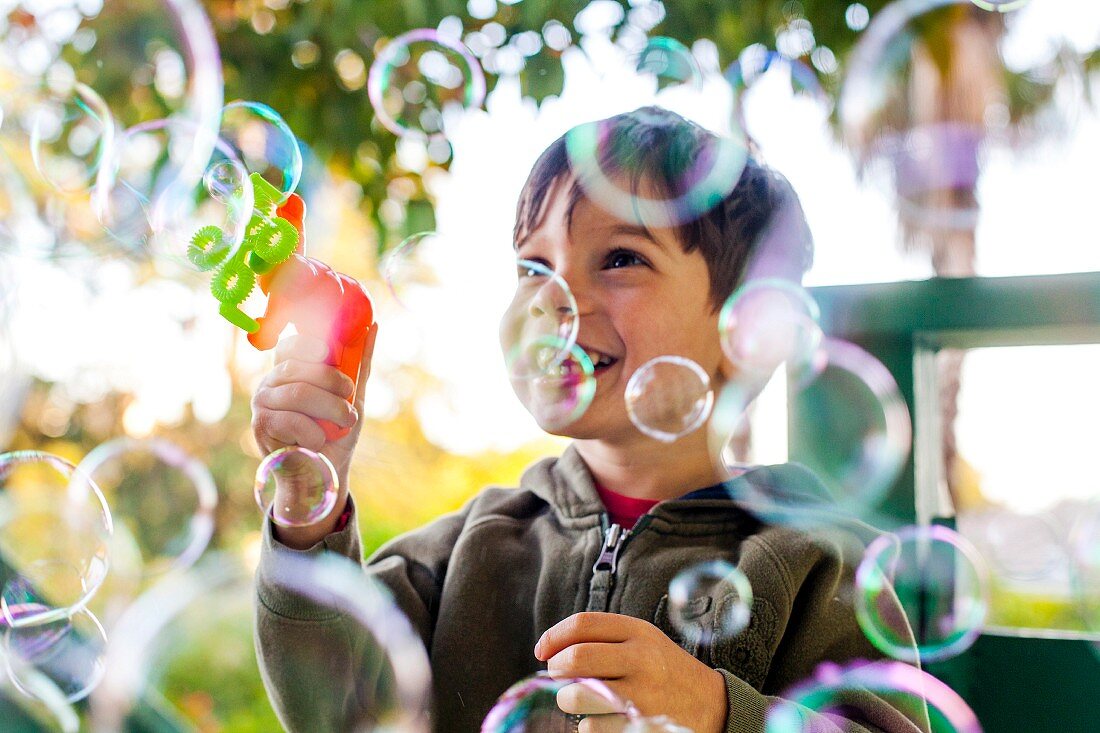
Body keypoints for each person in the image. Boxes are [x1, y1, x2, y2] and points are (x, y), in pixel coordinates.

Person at [250, 107, 927, 733]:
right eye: (533, 265)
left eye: (621, 259)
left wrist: (718, 712)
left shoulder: (815, 562)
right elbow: (334, 705)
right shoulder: (468, 549)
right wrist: (310, 501)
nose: (554, 299)